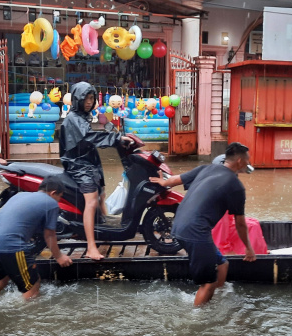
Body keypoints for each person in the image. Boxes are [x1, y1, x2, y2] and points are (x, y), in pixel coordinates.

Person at [149, 142, 257, 306]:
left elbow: (175, 180)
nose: (249, 163)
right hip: (195, 232)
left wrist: (163, 182)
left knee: (222, 264)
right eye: (248, 160)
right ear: (240, 161)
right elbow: (240, 224)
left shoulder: (206, 168)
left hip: (178, 225)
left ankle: (215, 298)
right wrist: (249, 248)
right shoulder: (236, 187)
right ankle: (197, 320)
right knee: (208, 283)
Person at [59, 81, 132, 260]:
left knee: (101, 195)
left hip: (89, 162)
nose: (89, 102)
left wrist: (118, 135)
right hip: (79, 165)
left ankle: (105, 233)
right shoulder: (73, 119)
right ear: (77, 99)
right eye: (86, 98)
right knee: (91, 202)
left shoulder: (82, 116)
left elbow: (95, 134)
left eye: (92, 98)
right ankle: (91, 246)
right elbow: (90, 136)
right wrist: (116, 138)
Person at [0, 176, 73, 300]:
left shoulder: (19, 196)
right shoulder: (51, 203)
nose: (59, 200)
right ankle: (25, 317)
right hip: (11, 247)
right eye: (60, 196)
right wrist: (59, 256)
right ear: (53, 192)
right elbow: (49, 234)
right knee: (33, 285)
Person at [210, 154, 268, 256]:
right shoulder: (220, 195)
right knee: (251, 227)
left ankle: (258, 251)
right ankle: (245, 254)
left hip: (221, 224)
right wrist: (227, 251)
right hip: (214, 234)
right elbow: (220, 230)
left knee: (253, 223)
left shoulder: (220, 186)